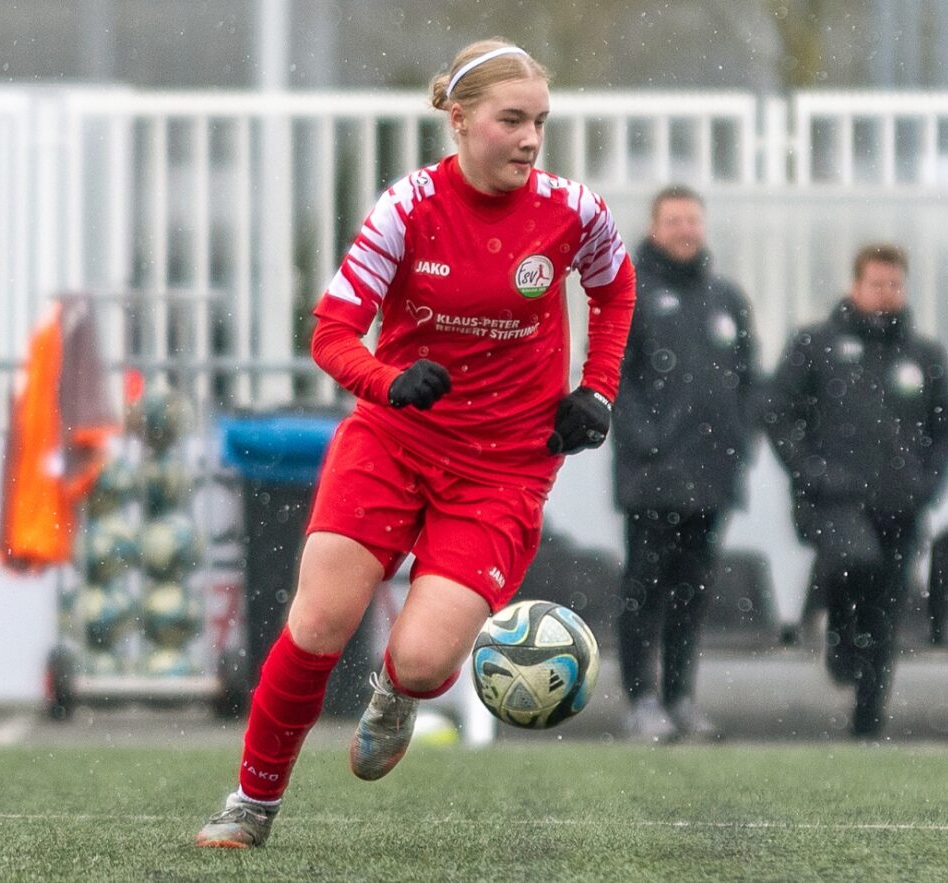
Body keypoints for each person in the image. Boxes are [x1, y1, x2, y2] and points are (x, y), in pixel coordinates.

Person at [195, 38, 636, 848]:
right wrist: (386, 381)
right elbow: (331, 332)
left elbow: (615, 286)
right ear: (460, 121)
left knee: (428, 661)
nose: (531, 138)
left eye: (540, 120)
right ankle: (251, 803)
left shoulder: (574, 211)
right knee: (320, 622)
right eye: (512, 120)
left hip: (505, 469)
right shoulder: (407, 209)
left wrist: (596, 386)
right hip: (392, 442)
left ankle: (395, 696)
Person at [762, 243, 948, 739]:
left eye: (895, 284)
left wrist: (925, 486)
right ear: (856, 286)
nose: (887, 293)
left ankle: (868, 720)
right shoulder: (816, 344)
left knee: (886, 609)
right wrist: (809, 470)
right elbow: (779, 413)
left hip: (900, 506)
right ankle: (836, 630)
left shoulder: (923, 355)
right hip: (833, 501)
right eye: (877, 284)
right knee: (856, 561)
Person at [610, 185, 755, 742]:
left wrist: (737, 440)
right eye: (674, 221)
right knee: (643, 587)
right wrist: (650, 443)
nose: (685, 230)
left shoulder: (726, 299)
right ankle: (640, 701)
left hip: (712, 478)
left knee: (692, 594)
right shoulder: (632, 293)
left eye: (692, 220)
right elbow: (615, 378)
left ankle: (680, 698)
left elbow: (746, 379)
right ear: (653, 228)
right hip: (652, 480)